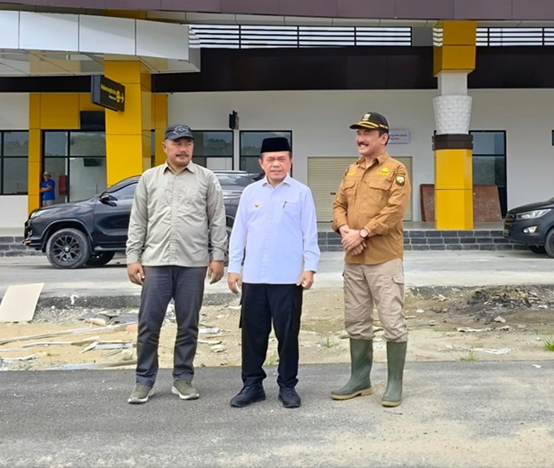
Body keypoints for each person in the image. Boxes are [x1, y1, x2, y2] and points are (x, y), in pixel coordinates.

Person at [125, 124, 228, 405]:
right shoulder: (149, 179)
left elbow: (217, 219)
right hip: (155, 262)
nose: (183, 148)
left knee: (188, 324)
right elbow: (138, 221)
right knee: (148, 324)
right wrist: (133, 257)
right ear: (165, 147)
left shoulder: (206, 179)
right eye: (177, 143)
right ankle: (144, 381)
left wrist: (218, 256)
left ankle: (183, 378)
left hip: (193, 263)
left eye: (188, 143)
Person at [227, 137, 320, 409]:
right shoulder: (250, 193)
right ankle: (252, 385)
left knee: (287, 335)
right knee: (253, 335)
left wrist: (310, 268)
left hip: (288, 278)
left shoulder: (301, 193)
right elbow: (239, 233)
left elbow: (310, 235)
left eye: (282, 158)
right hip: (254, 278)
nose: (276, 164)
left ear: (290, 161)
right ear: (261, 163)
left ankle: (287, 386)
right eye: (270, 159)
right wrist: (235, 268)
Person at [331, 112, 412, 408]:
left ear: (384, 138)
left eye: (367, 133)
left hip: (384, 259)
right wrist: (344, 230)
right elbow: (338, 204)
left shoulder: (396, 170)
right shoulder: (351, 171)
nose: (360, 138)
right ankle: (360, 379)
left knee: (392, 320)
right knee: (356, 320)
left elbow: (394, 212)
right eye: (358, 133)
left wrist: (362, 232)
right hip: (353, 261)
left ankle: (394, 383)